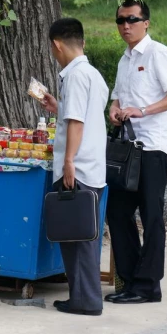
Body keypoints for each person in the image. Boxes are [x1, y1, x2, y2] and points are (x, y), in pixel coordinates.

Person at [105, 0, 167, 304]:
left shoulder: (158, 53)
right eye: (120, 21)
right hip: (127, 150)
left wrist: (143, 110)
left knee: (152, 215)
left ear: (146, 22)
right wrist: (114, 110)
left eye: (132, 20)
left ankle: (148, 286)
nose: (125, 26)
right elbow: (116, 98)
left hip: (152, 148)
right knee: (117, 211)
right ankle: (130, 280)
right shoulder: (124, 59)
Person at [42, 18, 109, 316]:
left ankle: (85, 301)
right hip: (92, 164)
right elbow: (83, 113)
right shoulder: (94, 75)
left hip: (78, 166)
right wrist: (59, 106)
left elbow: (78, 123)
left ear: (57, 44)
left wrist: (68, 160)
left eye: (52, 49)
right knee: (83, 235)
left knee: (77, 238)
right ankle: (82, 297)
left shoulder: (75, 76)